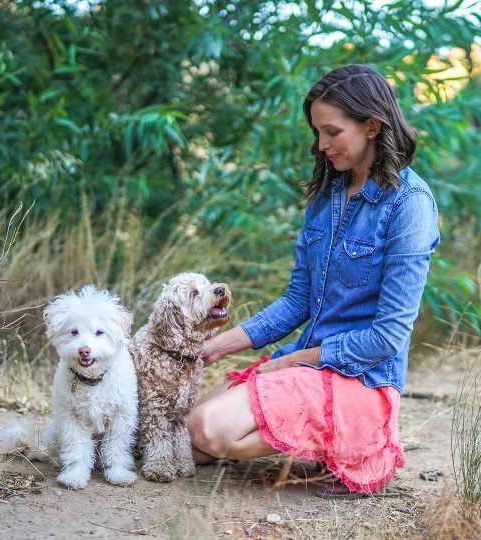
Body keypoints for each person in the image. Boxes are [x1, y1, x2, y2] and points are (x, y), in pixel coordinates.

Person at [187, 64, 440, 499]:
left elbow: (388, 335)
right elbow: (298, 300)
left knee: (206, 429)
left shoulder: (410, 206)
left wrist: (290, 361)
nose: (321, 145)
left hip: (363, 379)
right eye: (317, 132)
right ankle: (328, 444)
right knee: (188, 433)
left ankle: (361, 444)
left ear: (373, 127)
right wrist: (213, 347)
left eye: (332, 132)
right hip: (309, 366)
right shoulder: (328, 195)